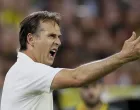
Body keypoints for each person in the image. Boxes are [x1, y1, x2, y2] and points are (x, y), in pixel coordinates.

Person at [1, 11, 140, 110]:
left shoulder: (27, 71)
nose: (58, 42)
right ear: (31, 39)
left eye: (58, 36)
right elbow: (77, 77)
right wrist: (122, 57)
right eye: (51, 36)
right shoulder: (28, 71)